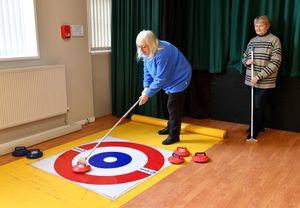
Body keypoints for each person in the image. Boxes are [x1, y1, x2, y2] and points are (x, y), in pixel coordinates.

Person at [136, 30, 192, 145]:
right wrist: (146, 87)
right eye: (139, 47)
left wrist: (147, 94)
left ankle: (174, 135)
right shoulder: (146, 52)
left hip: (180, 78)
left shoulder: (163, 52)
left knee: (173, 106)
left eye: (144, 47)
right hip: (169, 80)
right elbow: (147, 72)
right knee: (169, 104)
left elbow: (161, 78)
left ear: (151, 44)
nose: (141, 50)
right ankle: (170, 127)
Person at [242, 15, 282, 140]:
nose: (258, 28)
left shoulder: (274, 40)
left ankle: (254, 130)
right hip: (250, 80)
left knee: (258, 105)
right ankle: (259, 126)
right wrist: (246, 61)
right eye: (256, 25)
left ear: (267, 26)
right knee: (255, 105)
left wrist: (259, 76)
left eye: (261, 25)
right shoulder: (252, 41)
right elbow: (244, 56)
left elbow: (276, 62)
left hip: (264, 81)